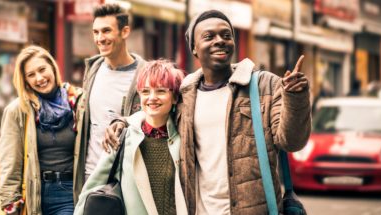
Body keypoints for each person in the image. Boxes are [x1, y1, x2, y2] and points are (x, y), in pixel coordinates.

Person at [104, 10, 311, 215]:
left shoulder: (264, 85)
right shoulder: (185, 94)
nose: (220, 41)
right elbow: (155, 113)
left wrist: (295, 97)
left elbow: (292, 142)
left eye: (226, 35)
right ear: (194, 49)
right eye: (209, 36)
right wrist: (122, 123)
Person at [74, 60, 187, 215]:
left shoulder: (184, 136)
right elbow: (93, 187)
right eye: (146, 91)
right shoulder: (122, 136)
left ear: (174, 97)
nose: (152, 98)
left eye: (161, 91)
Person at [0, 45, 84, 215]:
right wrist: (9, 201)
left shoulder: (79, 102)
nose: (39, 78)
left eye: (42, 69)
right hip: (32, 193)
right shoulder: (18, 110)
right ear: (25, 80)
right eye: (31, 75)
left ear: (53, 67)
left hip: (70, 192)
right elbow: (10, 159)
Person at [74, 3, 146, 197]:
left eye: (106, 31)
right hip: (90, 175)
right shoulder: (93, 69)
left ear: (125, 31)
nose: (100, 38)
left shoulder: (144, 74)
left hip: (125, 178)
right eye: (95, 32)